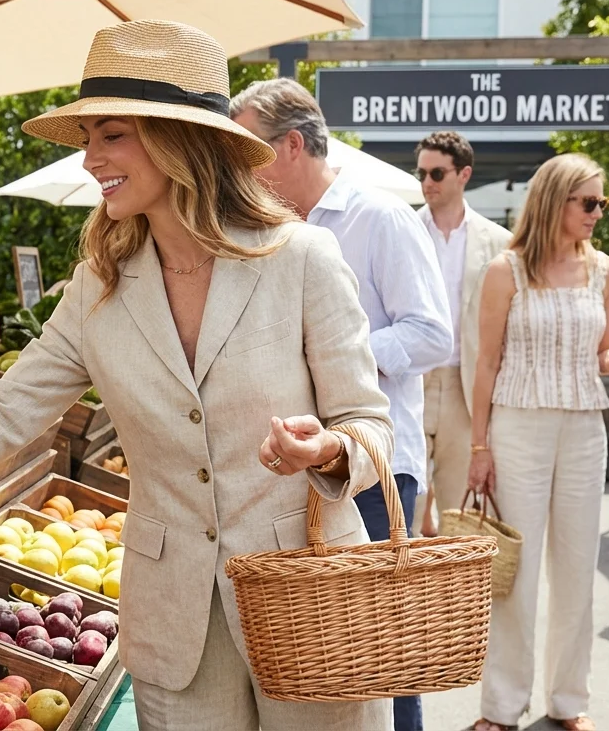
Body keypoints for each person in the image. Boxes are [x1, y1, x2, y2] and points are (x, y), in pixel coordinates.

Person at [0, 20, 396, 731]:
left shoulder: (302, 259)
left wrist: (327, 452)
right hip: (173, 624)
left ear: (178, 139)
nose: (90, 158)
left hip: (310, 611)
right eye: (88, 136)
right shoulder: (99, 289)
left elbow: (371, 426)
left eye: (110, 134)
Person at [231, 77, 452, 731]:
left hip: (371, 465)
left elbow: (433, 333)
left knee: (382, 655)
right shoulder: (260, 228)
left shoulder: (378, 216)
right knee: (316, 656)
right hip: (290, 474)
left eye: (248, 150)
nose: (238, 168)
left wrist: (333, 355)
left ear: (291, 144)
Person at [467, 153, 609, 731]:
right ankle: (500, 707)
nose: (598, 212)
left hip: (583, 428)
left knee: (577, 569)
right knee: (515, 575)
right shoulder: (507, 270)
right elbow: (487, 363)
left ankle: (570, 701)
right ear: (555, 201)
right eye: (588, 202)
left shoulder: (606, 271)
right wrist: (479, 446)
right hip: (517, 425)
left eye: (602, 203)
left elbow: (598, 355)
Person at [409, 131, 513, 538]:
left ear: (463, 174)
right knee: (403, 509)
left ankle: (451, 602)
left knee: (457, 515)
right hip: (409, 379)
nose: (427, 183)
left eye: (437, 173)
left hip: (464, 385)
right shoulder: (402, 228)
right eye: (421, 173)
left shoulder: (499, 242)